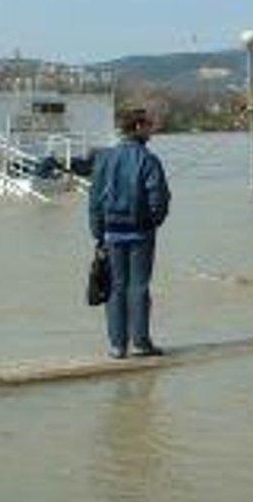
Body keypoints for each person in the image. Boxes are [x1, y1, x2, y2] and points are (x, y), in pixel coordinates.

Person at [88, 107, 171, 358]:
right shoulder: (148, 159)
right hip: (140, 233)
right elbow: (159, 198)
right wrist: (152, 222)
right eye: (148, 126)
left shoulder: (105, 158)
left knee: (116, 287)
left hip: (111, 233)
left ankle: (117, 346)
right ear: (137, 127)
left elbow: (94, 200)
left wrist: (98, 232)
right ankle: (141, 343)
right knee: (139, 287)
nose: (151, 132)